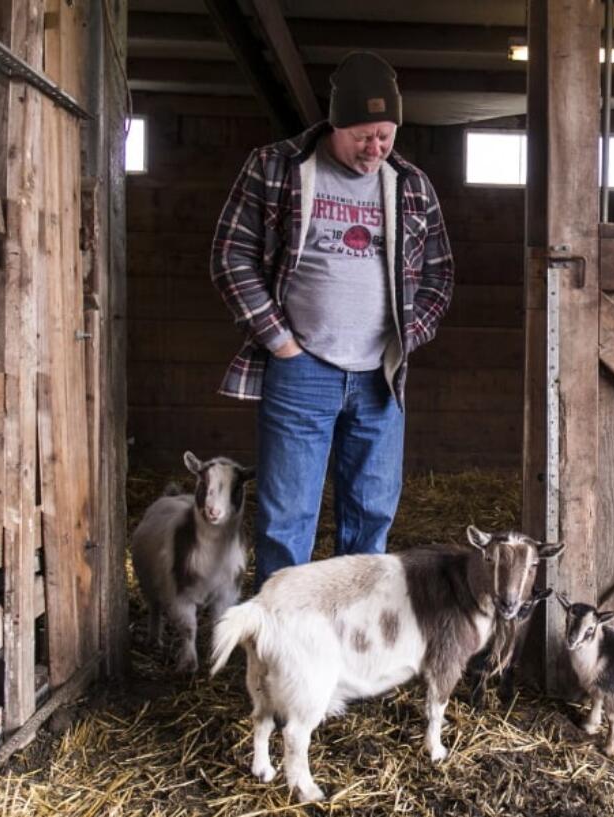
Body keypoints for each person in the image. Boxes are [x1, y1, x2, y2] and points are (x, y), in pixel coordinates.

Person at [210, 51, 453, 590]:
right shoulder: (277, 168)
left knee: (370, 518)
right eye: (363, 136)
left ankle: (354, 654)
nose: (376, 149)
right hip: (301, 369)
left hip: (381, 376)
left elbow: (439, 275)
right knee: (287, 520)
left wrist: (407, 340)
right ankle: (281, 658)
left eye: (386, 135)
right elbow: (231, 255)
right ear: (335, 123)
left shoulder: (411, 185)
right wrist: (279, 342)